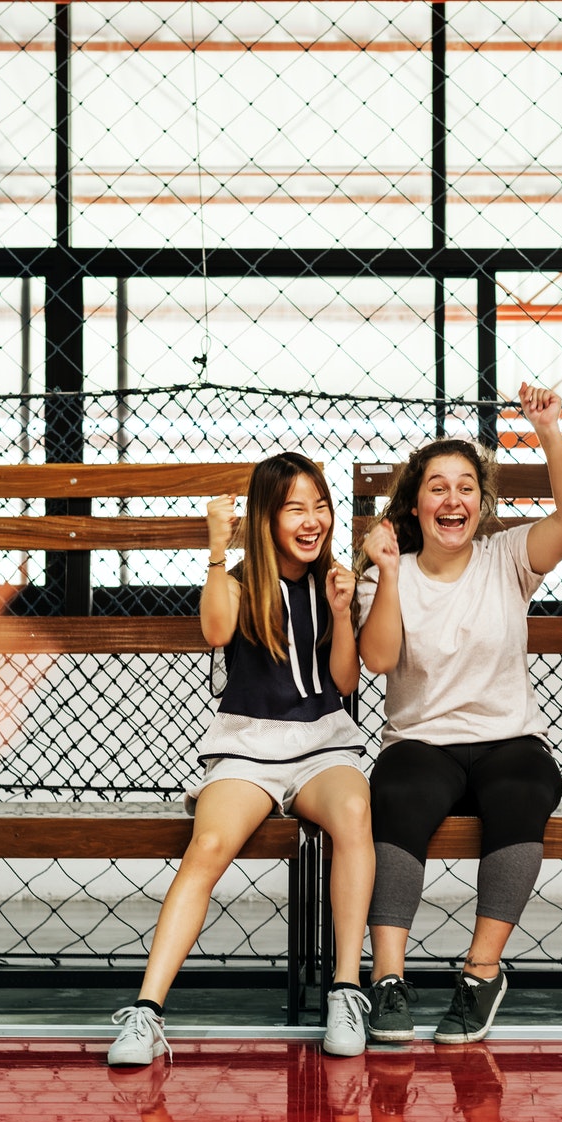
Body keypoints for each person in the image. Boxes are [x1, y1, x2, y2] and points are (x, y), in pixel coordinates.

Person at [107, 453, 374, 1066]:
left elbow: (346, 682)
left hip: (322, 742)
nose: (313, 521)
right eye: (295, 509)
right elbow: (216, 631)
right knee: (207, 846)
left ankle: (345, 989)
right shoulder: (235, 580)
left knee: (355, 815)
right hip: (247, 746)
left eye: (320, 506)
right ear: (265, 518)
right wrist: (214, 548)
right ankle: (146, 1013)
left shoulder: (332, 580)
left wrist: (341, 613)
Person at [354, 385, 562, 1044]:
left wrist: (547, 428)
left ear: (482, 505)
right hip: (421, 741)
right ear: (416, 504)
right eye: (437, 487)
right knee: (396, 794)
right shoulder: (386, 572)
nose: (451, 499)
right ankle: (389, 980)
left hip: (508, 739)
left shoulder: (506, 557)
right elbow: (376, 659)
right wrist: (390, 575)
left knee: (523, 791)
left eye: (465, 487)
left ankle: (480, 972)